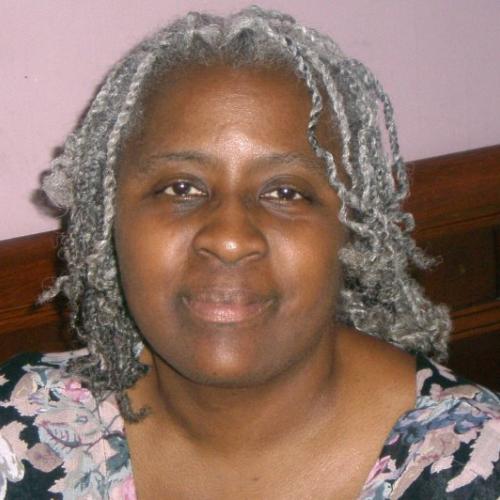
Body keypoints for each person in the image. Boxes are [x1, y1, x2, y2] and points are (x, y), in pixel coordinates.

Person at [0, 6, 498, 499]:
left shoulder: (470, 464)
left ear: (351, 232)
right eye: (181, 188)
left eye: (286, 193)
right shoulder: (21, 429)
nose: (230, 238)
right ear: (106, 222)